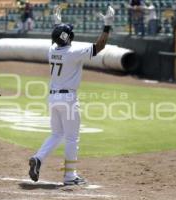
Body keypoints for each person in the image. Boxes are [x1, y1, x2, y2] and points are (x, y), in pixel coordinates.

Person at [28, 5, 115, 185]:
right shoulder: (73, 53)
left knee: (56, 134)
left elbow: (58, 38)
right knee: (71, 138)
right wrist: (107, 25)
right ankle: (70, 176)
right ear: (68, 38)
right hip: (68, 99)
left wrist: (57, 23)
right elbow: (100, 46)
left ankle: (38, 158)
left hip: (53, 98)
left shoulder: (52, 50)